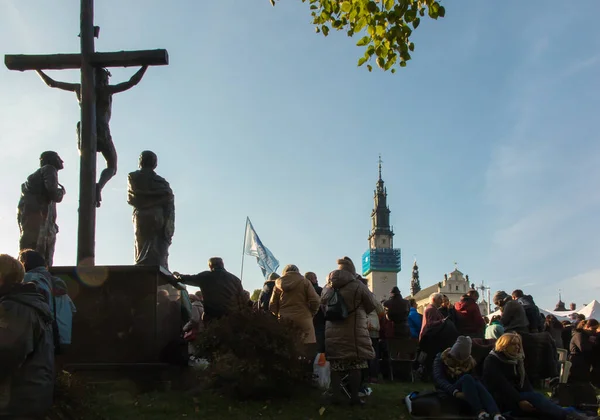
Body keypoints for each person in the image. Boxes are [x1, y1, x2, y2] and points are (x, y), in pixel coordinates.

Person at [37, 66, 148, 207]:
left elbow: (51, 83)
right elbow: (132, 82)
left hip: (84, 128)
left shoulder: (79, 88)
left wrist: (37, 69)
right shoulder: (106, 90)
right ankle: (98, 186)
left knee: (86, 161)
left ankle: (93, 187)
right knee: (112, 165)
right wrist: (145, 65)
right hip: (101, 128)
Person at [483, 333, 594, 420]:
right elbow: (502, 385)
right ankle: (571, 415)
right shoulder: (493, 360)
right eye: (514, 344)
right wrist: (520, 400)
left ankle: (575, 412)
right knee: (537, 399)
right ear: (504, 345)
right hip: (501, 399)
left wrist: (530, 396)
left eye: (518, 344)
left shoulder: (516, 360)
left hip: (518, 396)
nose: (517, 347)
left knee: (541, 404)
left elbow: (525, 383)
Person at [0, 254, 54, 418]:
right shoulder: (26, 303)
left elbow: (6, 353)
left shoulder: (14, 307)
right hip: (30, 397)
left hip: (13, 402)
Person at [321, 257, 376, 405]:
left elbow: (323, 306)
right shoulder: (358, 285)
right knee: (355, 365)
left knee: (336, 365)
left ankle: (336, 396)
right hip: (354, 330)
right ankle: (354, 397)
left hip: (333, 330)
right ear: (352, 270)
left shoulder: (327, 287)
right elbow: (371, 305)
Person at [433, 336, 505, 420]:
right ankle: (480, 412)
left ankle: (496, 414)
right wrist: (455, 392)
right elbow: (439, 379)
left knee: (476, 382)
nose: (461, 362)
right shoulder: (441, 359)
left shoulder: (469, 362)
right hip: (448, 391)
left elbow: (475, 379)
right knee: (467, 377)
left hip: (466, 391)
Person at [127, 150, 175, 269]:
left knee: (142, 244)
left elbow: (132, 198)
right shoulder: (162, 182)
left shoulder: (133, 176)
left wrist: (145, 199)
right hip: (158, 215)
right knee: (156, 244)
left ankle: (144, 267)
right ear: (155, 164)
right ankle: (158, 265)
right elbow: (168, 197)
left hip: (142, 215)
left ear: (141, 161)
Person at [17, 151, 66, 267]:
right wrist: (62, 191)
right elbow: (54, 194)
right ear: (51, 160)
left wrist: (52, 223)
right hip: (38, 221)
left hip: (36, 220)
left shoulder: (40, 175)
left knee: (33, 249)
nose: (62, 161)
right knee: (38, 252)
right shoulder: (49, 169)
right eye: (58, 158)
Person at [173, 257, 246, 325]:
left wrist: (179, 276)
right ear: (223, 265)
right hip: (232, 318)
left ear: (210, 266)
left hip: (212, 317)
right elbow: (242, 300)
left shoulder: (206, 276)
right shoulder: (235, 279)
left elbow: (189, 279)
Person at [269, 265, 320, 345]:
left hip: (285, 319)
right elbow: (315, 300)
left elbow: (272, 305)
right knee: (307, 348)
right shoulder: (305, 282)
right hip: (304, 318)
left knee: (286, 347)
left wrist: (279, 315)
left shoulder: (278, 284)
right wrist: (311, 313)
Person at [568, 319, 599, 384]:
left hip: (583, 361)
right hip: (577, 361)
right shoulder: (579, 335)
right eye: (593, 328)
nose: (595, 330)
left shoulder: (586, 335)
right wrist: (593, 343)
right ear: (586, 326)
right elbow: (584, 348)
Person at [306, 272, 326, 353]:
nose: (317, 280)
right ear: (312, 279)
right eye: (315, 278)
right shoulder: (319, 290)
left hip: (308, 321)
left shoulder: (304, 290)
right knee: (320, 346)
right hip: (320, 320)